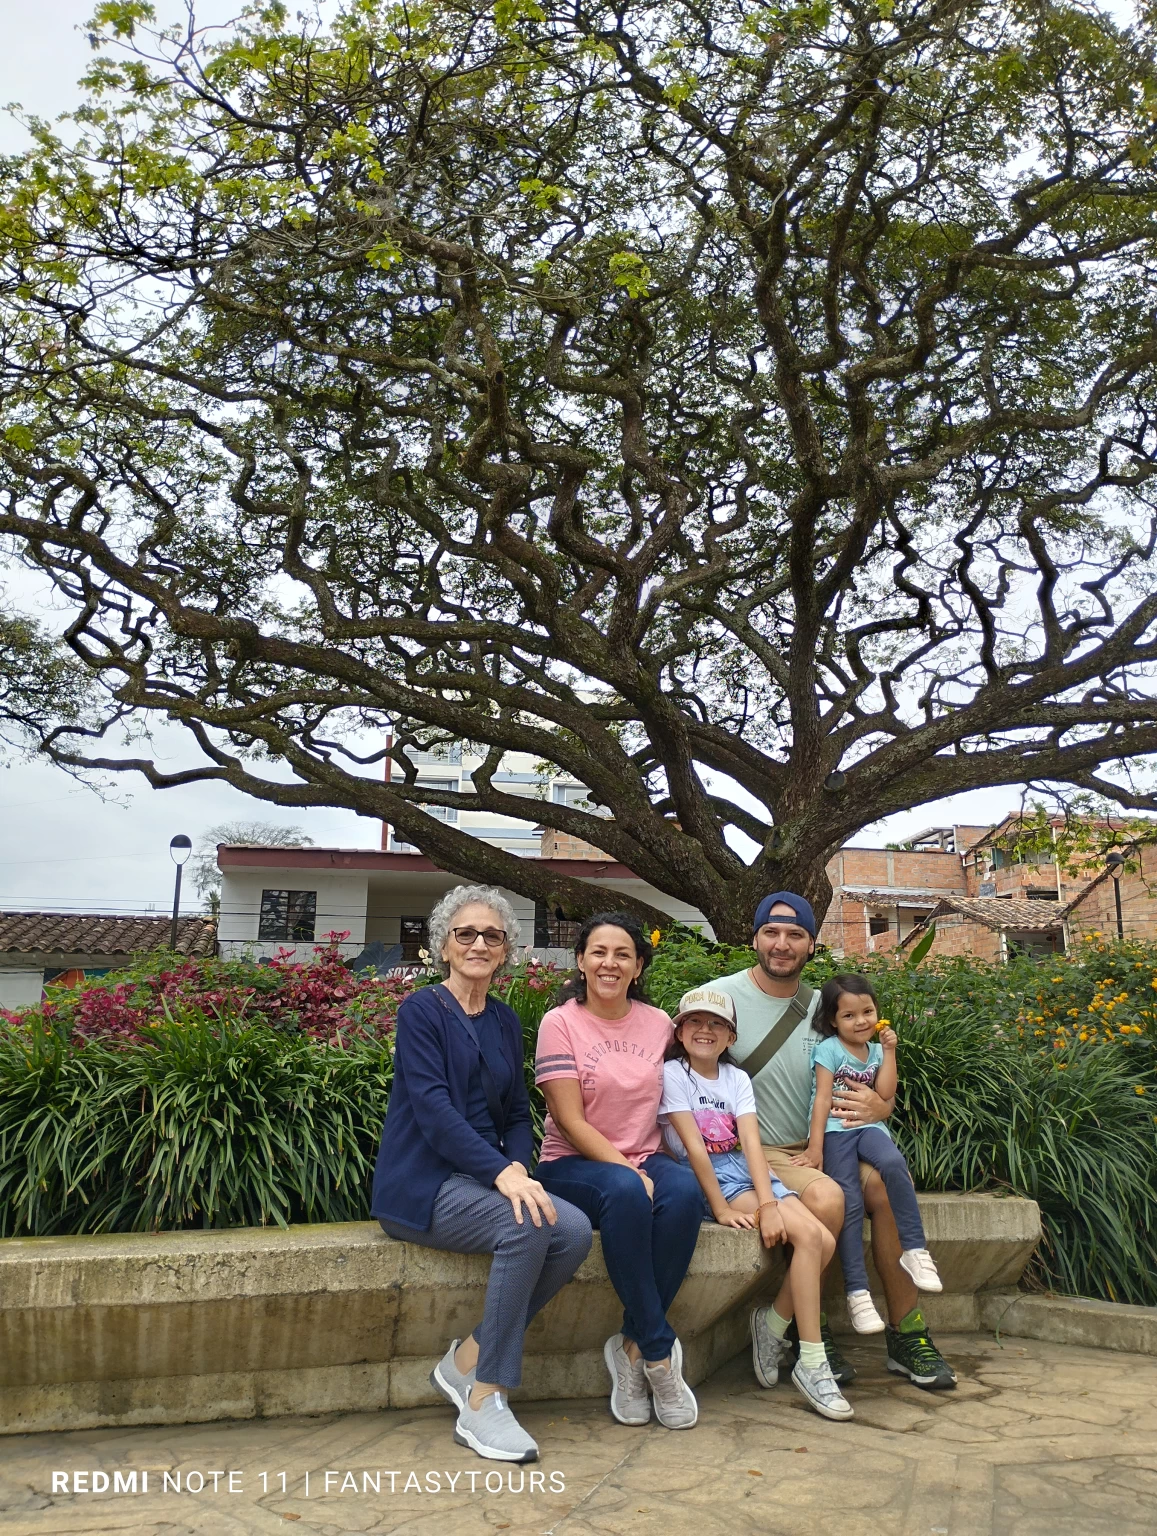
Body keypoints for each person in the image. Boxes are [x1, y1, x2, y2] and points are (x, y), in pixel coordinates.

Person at [371, 885, 592, 1464]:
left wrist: (517, 1165)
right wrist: (503, 1175)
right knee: (527, 1225)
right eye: (464, 933)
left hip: (484, 1179)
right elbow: (434, 1111)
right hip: (423, 1184)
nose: (478, 943)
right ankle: (484, 1397)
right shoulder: (421, 1011)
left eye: (491, 935)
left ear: (505, 951)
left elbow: (518, 1112)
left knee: (571, 1231)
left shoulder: (501, 1018)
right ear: (444, 946)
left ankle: (465, 1357)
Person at [711, 892, 958, 1392]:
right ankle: (811, 1328)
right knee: (830, 1199)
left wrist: (881, 1107)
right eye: (772, 933)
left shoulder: (829, 1006)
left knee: (889, 1185)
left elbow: (864, 1079)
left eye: (795, 935)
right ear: (754, 937)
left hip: (826, 1143)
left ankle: (906, 1330)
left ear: (811, 944)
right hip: (757, 1152)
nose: (782, 945)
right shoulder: (719, 999)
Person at [534, 912, 704, 1431]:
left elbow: (695, 1082)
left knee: (684, 1194)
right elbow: (568, 1118)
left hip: (645, 1153)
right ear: (582, 961)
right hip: (572, 1162)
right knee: (629, 1193)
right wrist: (626, 1170)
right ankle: (656, 1353)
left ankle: (629, 1349)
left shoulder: (658, 1024)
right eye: (599, 952)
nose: (610, 963)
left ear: (638, 967)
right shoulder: (559, 1022)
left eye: (622, 954)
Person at [658, 985, 851, 1421]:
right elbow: (692, 1147)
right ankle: (813, 1363)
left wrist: (767, 1203)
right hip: (709, 1175)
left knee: (824, 1239)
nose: (704, 1030)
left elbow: (751, 1143)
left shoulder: (736, 1078)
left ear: (730, 1037)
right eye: (695, 1021)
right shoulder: (674, 1074)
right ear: (679, 1031)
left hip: (747, 1169)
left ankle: (773, 1325)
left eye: (716, 1024)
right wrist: (723, 1209)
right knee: (808, 1236)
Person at [796, 973, 942, 1334]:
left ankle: (914, 1250)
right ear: (833, 1020)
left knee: (894, 1165)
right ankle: (858, 1292)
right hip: (835, 1133)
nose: (860, 1021)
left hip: (871, 1128)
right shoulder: (828, 1050)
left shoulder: (877, 1051)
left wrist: (889, 1051)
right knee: (849, 1201)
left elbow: (887, 1091)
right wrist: (815, 1148)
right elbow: (822, 1101)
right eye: (849, 1015)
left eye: (867, 1012)